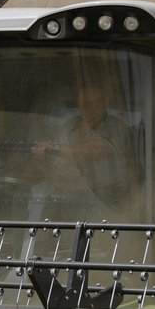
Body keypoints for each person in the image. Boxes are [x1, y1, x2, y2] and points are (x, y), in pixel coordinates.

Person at [30, 65, 138, 220]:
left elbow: (96, 148)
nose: (87, 107)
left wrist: (54, 148)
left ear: (105, 102)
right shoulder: (68, 128)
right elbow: (56, 164)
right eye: (83, 102)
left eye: (92, 102)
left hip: (107, 203)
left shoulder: (116, 127)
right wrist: (41, 157)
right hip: (68, 203)